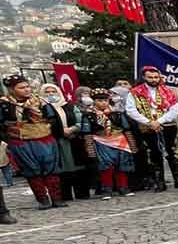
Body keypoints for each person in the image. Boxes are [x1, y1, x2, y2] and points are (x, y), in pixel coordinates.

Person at [1, 74, 66, 209]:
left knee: (51, 169)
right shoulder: (4, 104)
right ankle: (42, 200)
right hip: (21, 141)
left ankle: (57, 198)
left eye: (27, 86)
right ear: (12, 90)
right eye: (22, 87)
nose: (27, 90)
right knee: (32, 170)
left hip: (44, 139)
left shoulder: (40, 101)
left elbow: (53, 119)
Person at [126, 66, 178, 191]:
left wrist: (159, 121)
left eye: (156, 77)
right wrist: (148, 122)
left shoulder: (167, 91)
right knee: (154, 153)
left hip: (167, 125)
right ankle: (160, 182)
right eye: (150, 77)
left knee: (172, 151)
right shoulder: (134, 92)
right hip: (147, 126)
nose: (153, 80)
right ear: (144, 77)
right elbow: (131, 110)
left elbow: (175, 109)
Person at [82, 88, 138, 198]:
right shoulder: (89, 115)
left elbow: (126, 128)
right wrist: (90, 148)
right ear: (94, 101)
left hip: (119, 141)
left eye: (105, 100)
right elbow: (86, 132)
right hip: (101, 141)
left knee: (122, 165)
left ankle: (123, 187)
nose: (103, 103)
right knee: (105, 166)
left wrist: (132, 145)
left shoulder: (117, 114)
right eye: (99, 100)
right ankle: (107, 189)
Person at [40, 83, 83, 203]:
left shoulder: (70, 106)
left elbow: (81, 121)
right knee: (60, 169)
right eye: (47, 92)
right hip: (54, 141)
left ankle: (81, 192)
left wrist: (72, 129)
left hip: (72, 139)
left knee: (77, 166)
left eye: (53, 91)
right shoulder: (40, 108)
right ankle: (64, 195)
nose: (50, 94)